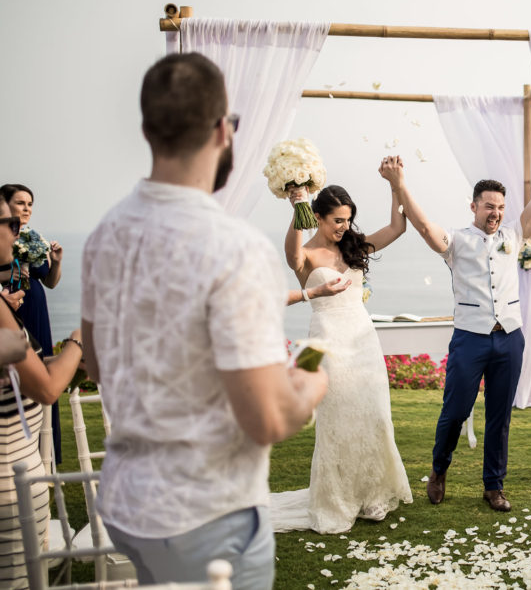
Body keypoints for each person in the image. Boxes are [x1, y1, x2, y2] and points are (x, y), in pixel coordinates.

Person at [80, 53, 328, 589]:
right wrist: (311, 379)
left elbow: (96, 365)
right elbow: (267, 419)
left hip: (126, 505)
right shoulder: (234, 247)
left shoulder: (105, 233)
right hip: (209, 516)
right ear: (223, 129)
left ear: (147, 130)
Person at [390, 124, 531, 512]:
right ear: (474, 206)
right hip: (470, 339)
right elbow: (421, 225)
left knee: (500, 417)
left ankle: (493, 486)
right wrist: (400, 185)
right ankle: (439, 470)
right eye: (489, 206)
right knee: (454, 411)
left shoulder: (515, 235)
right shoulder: (456, 241)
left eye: (500, 207)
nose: (496, 213)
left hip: (510, 338)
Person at [275, 164, 412, 533]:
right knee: (338, 422)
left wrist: (394, 186)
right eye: (336, 220)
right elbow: (292, 254)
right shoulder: (304, 254)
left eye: (348, 220)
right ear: (317, 217)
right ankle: (337, 498)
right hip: (328, 342)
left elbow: (398, 228)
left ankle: (371, 495)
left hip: (363, 340)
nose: (343, 227)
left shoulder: (354, 246)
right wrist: (297, 209)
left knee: (375, 416)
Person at [0, 197, 84, 589]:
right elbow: (45, 389)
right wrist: (79, 344)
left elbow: (15, 370)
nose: (17, 230)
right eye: (9, 223)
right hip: (10, 479)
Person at [0, 184, 66, 462]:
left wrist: (57, 262)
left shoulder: (31, 237)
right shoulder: (2, 240)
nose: (27, 209)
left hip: (37, 313)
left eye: (30, 204)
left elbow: (49, 281)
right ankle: (20, 457)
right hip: (12, 315)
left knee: (44, 370)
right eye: (20, 203)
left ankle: (47, 457)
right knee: (19, 380)